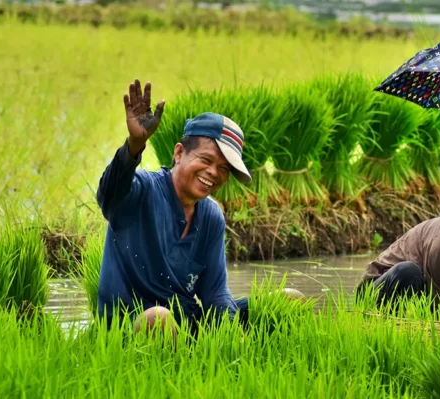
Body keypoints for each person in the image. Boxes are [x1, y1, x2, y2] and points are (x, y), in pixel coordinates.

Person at [95, 79, 301, 337]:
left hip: (186, 324)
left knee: (290, 300)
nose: (213, 173)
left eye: (224, 169)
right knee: (159, 317)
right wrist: (134, 146)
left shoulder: (211, 215)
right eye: (206, 160)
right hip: (130, 327)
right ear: (179, 153)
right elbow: (110, 193)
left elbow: (214, 292)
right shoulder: (141, 192)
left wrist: (232, 338)